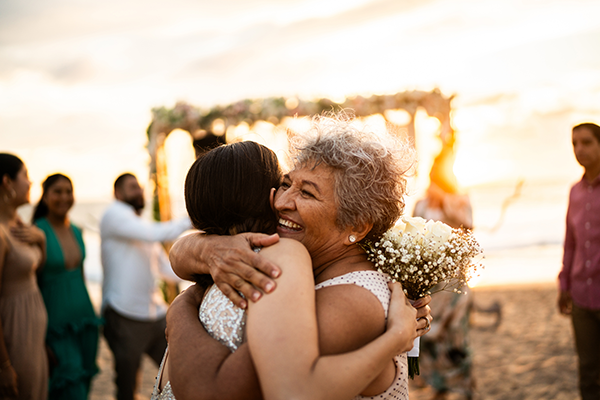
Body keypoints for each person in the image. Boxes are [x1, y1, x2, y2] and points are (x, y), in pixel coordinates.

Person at [166, 113, 433, 400]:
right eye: (285, 183)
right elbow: (182, 255)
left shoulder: (351, 302)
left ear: (355, 226)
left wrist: (182, 306)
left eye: (306, 193)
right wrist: (203, 249)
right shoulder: (311, 269)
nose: (280, 202)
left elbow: (215, 392)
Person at [99, 173, 190, 400]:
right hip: (124, 314)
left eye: (139, 187)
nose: (139, 191)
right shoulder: (113, 215)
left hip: (155, 315)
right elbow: (156, 233)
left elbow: (167, 271)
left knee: (180, 370)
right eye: (132, 187)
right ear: (117, 193)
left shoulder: (140, 225)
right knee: (128, 386)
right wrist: (193, 217)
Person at [412, 146, 475, 400]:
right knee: (429, 335)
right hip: (429, 282)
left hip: (454, 282)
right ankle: (438, 386)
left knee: (454, 337)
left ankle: (463, 386)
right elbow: (411, 234)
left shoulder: (461, 200)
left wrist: (446, 202)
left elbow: (469, 228)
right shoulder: (421, 204)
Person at [32, 174, 102, 400]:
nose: (64, 197)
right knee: (70, 388)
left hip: (85, 320)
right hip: (56, 325)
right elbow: (31, 287)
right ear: (44, 198)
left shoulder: (78, 231)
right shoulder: (36, 232)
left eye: (68, 191)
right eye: (57, 191)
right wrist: (39, 337)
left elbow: (80, 276)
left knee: (85, 379)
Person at [0, 153, 48, 400]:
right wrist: (4, 365)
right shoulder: (0, 234)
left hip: (33, 331)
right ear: (7, 182)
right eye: (25, 176)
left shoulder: (19, 224)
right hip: (14, 331)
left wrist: (41, 239)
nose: (30, 183)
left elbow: (36, 269)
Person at [558, 122, 600, 400]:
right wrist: (564, 284)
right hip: (581, 296)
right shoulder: (574, 191)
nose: (579, 149)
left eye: (586, 142)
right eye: (575, 143)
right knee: (587, 370)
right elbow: (571, 242)